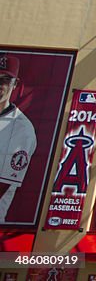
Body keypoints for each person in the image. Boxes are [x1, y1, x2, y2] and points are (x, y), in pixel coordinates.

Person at [0, 55, 37, 223]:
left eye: (6, 80)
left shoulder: (22, 129)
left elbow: (3, 185)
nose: (0, 84)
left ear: (15, 84)